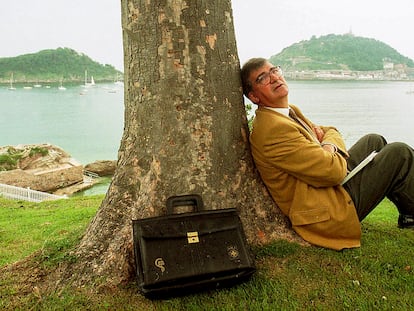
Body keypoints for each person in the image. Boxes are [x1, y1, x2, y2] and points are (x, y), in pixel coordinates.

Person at [240, 57, 414, 250]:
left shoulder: (287, 112)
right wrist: (328, 147)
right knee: (400, 153)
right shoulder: (272, 130)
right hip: (324, 209)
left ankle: (409, 213)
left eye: (274, 71)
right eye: (262, 78)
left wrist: (327, 144)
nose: (273, 78)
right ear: (254, 97)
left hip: (324, 185)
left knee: (374, 141)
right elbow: (333, 172)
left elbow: (329, 130)